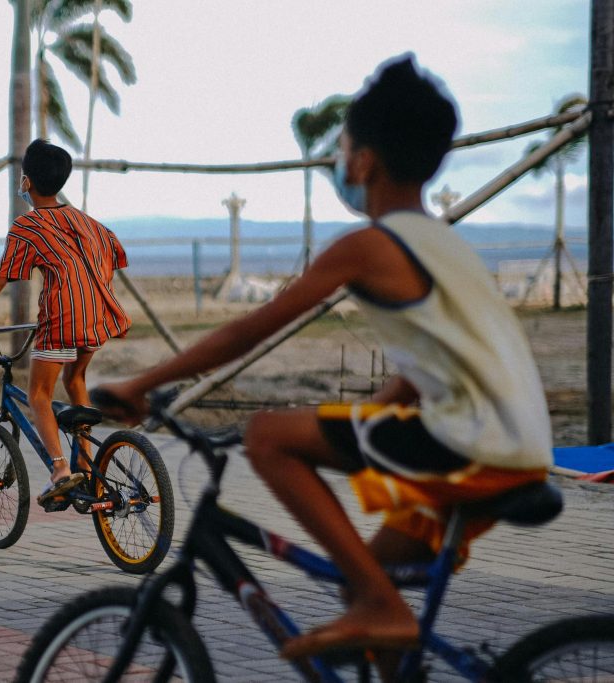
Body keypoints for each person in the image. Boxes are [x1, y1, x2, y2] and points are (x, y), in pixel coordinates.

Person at [93, 54, 553, 661]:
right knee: (370, 578)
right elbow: (427, 371)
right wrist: (359, 414)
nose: (340, 161)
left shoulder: (369, 246)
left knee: (267, 437)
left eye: (342, 148)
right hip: (518, 445)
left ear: (364, 160)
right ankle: (381, 612)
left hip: (472, 443)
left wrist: (141, 383)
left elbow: (249, 331)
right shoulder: (445, 243)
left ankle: (383, 609)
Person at [0, 138, 131, 507]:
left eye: (22, 175)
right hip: (101, 314)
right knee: (74, 377)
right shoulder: (88, 222)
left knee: (38, 395)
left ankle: (61, 470)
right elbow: (112, 255)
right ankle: (84, 458)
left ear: (26, 182)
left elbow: (1, 276)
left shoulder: (28, 226)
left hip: (62, 317)